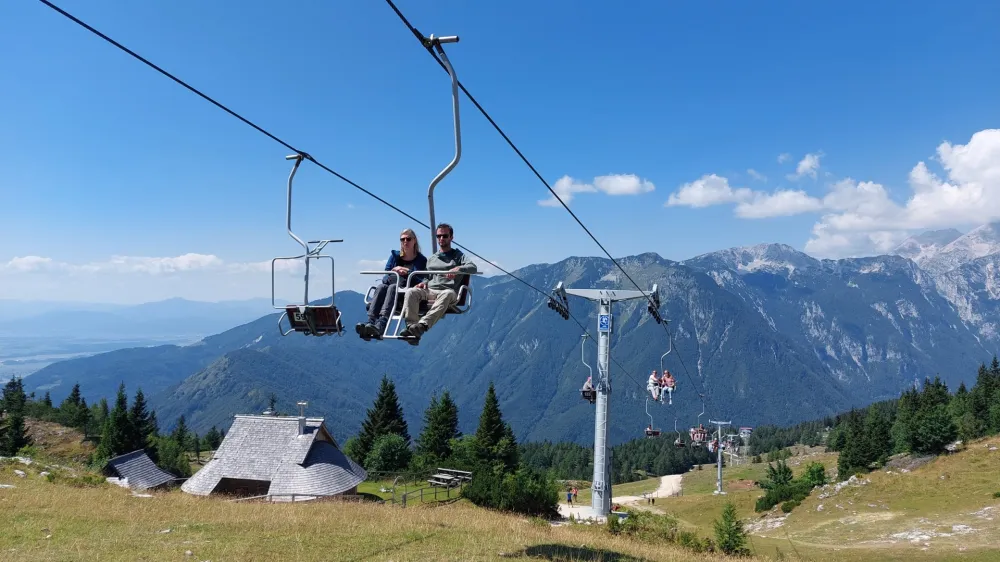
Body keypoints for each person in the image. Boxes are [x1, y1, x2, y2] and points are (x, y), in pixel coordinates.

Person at [398, 223, 477, 344]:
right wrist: (423, 283)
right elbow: (428, 277)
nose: (441, 239)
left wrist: (458, 269)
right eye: (438, 236)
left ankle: (422, 325)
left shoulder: (458, 256)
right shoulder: (432, 258)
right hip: (431, 290)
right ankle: (411, 328)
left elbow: (473, 267)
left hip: (449, 291)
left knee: (446, 294)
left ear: (451, 237)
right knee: (411, 292)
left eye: (445, 236)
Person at [356, 228, 427, 340]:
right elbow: (385, 276)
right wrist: (394, 270)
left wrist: (407, 273)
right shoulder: (394, 257)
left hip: (406, 292)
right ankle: (370, 321)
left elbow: (420, 280)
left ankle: (382, 324)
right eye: (402, 239)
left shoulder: (421, 260)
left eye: (408, 239)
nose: (405, 242)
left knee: (393, 288)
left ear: (414, 241)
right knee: (381, 286)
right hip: (391, 287)